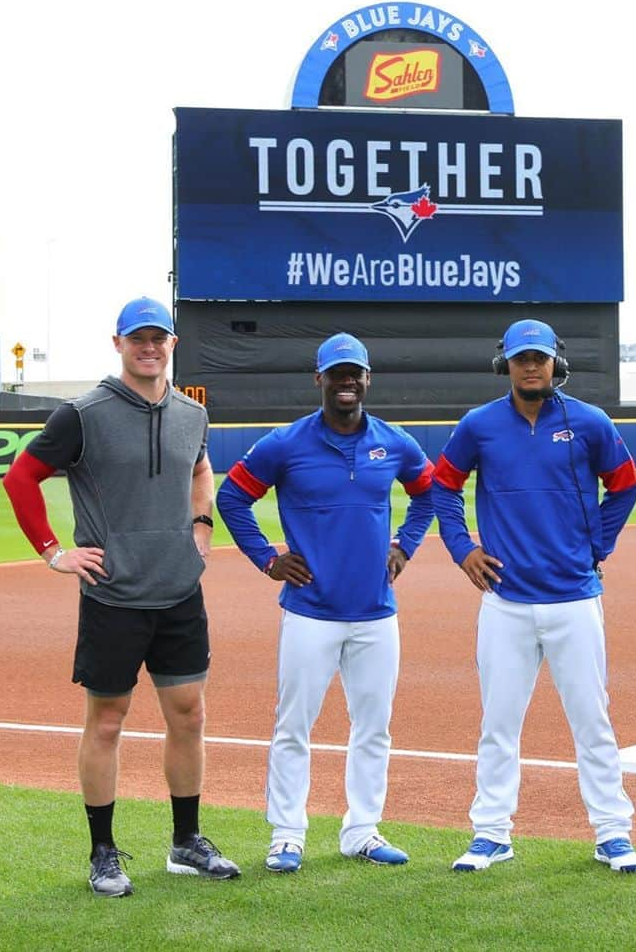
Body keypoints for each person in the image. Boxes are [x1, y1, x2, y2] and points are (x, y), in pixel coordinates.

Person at [2, 296, 240, 898]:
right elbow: (19, 477)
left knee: (189, 715)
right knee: (107, 721)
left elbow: (200, 469)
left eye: (159, 338)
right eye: (138, 338)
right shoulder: (83, 413)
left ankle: (186, 843)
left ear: (173, 345)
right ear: (118, 344)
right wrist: (55, 552)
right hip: (114, 595)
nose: (150, 347)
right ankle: (102, 853)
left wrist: (202, 527)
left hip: (179, 592)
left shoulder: (193, 414)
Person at [432, 318, 636, 873]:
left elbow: (625, 484)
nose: (532, 366)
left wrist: (599, 540)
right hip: (506, 601)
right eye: (522, 358)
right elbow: (443, 485)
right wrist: (462, 548)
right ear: (505, 362)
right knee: (498, 723)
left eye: (541, 357)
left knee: (592, 719)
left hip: (574, 597)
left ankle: (612, 833)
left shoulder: (591, 422)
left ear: (557, 362)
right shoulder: (479, 425)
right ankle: (491, 833)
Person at [216, 332, 434, 873]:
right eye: (336, 373)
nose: (346, 381)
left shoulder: (395, 442)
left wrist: (405, 545)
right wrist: (268, 558)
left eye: (354, 372)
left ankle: (362, 830)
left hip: (376, 613)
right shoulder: (284, 443)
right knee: (294, 725)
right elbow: (232, 497)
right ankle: (287, 834)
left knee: (374, 725)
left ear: (366, 379)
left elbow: (430, 491)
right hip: (310, 611)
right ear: (319, 379)